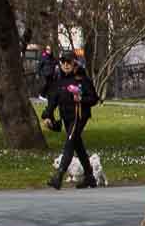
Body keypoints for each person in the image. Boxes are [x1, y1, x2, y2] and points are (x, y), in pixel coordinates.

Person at [42, 50, 101, 189]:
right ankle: (90, 177)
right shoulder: (59, 80)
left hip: (79, 116)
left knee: (69, 143)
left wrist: (81, 99)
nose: (66, 65)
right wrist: (47, 115)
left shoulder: (82, 79)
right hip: (66, 117)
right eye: (63, 62)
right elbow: (53, 101)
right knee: (77, 145)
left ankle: (59, 176)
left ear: (75, 63)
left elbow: (94, 98)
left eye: (69, 62)